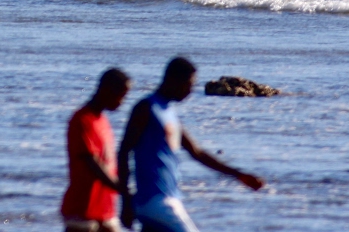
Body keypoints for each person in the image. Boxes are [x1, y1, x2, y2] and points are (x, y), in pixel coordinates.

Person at [118, 57, 264, 232]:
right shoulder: (146, 108)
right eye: (188, 84)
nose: (190, 91)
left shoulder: (169, 112)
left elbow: (197, 153)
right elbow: (123, 152)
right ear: (172, 80)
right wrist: (126, 201)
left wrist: (239, 175)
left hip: (166, 198)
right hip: (155, 200)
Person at [62, 68, 132, 232]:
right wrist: (123, 190)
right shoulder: (82, 120)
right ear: (106, 90)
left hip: (106, 207)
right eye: (121, 95)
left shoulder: (103, 121)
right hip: (82, 208)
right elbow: (92, 163)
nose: (122, 101)